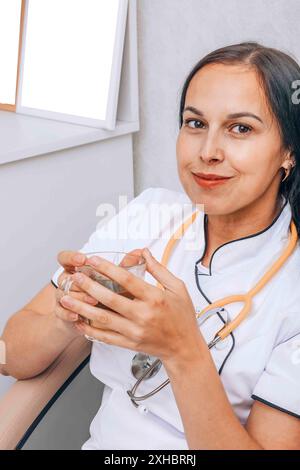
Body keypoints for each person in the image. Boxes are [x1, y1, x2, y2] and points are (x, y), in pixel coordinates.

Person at [1, 41, 300, 450]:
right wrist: (63, 314)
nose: (208, 152)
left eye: (240, 128)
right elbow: (9, 357)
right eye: (195, 123)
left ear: (288, 151)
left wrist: (182, 350)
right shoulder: (149, 215)